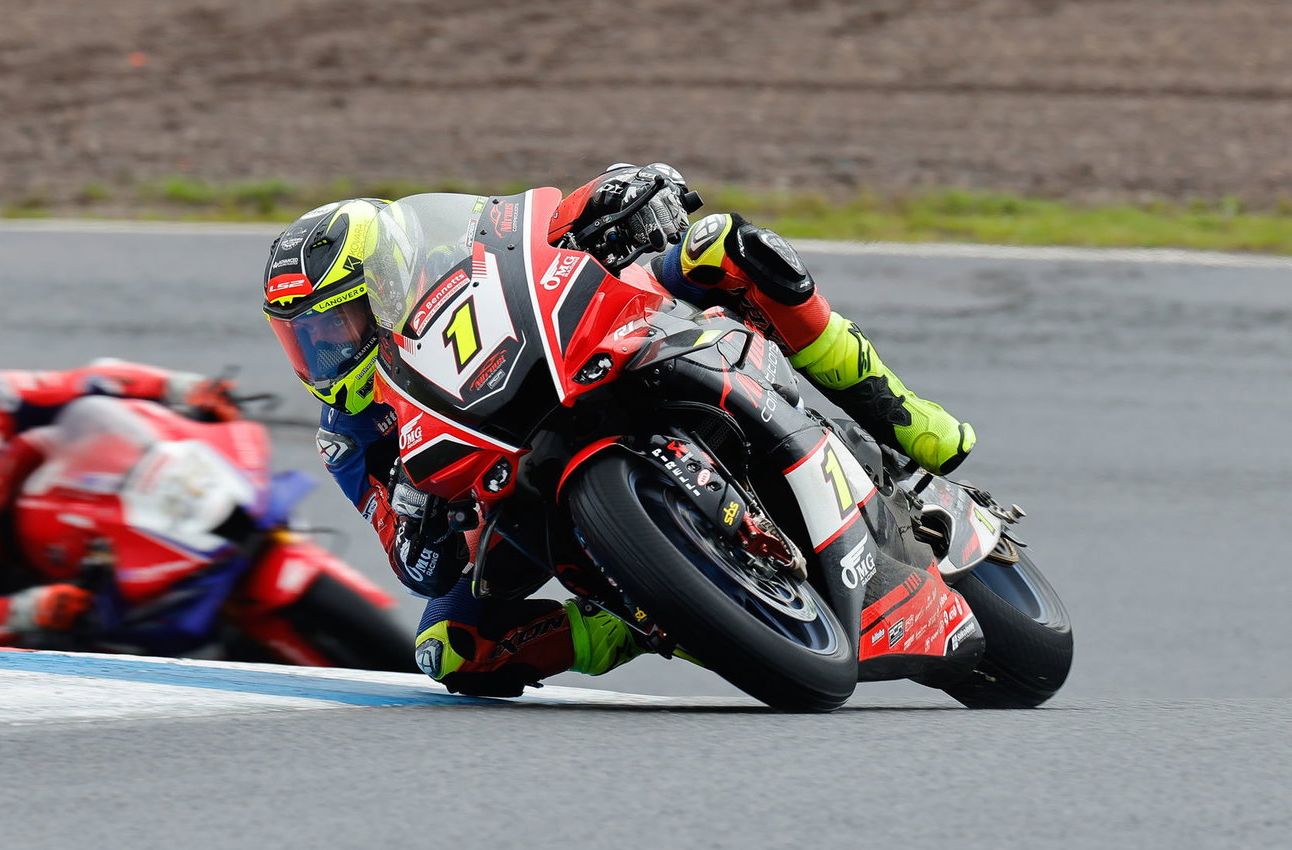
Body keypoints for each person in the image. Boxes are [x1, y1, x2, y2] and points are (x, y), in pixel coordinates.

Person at [262, 165, 976, 696]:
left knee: (726, 246)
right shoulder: (350, 435)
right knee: (450, 650)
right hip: (512, 491)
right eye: (305, 340)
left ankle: (901, 418)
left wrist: (623, 191)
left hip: (597, 345)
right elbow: (416, 567)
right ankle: (650, 620)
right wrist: (420, 513)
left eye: (334, 327)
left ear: (384, 285)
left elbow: (534, 227)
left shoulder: (451, 259)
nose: (321, 354)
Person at [0, 349, 239, 646]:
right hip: (2, 592)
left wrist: (181, 387)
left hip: (44, 516)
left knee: (83, 450)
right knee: (68, 645)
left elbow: (91, 380)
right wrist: (25, 609)